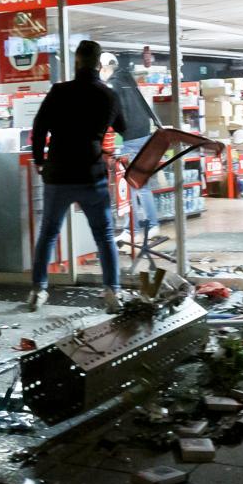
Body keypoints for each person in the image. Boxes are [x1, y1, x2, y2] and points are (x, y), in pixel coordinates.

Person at [29, 40, 128, 314]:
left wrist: (40, 160)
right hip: (91, 175)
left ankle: (38, 290)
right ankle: (112, 292)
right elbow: (123, 126)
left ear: (76, 62)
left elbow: (39, 128)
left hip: (58, 174)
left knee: (48, 234)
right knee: (105, 236)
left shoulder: (59, 92)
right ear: (99, 65)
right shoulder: (108, 95)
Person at [100, 51, 161, 243]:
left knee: (129, 186)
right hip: (145, 135)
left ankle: (135, 229)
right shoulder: (128, 79)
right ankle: (147, 226)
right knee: (140, 185)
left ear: (104, 67)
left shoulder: (114, 85)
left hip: (131, 139)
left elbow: (113, 113)